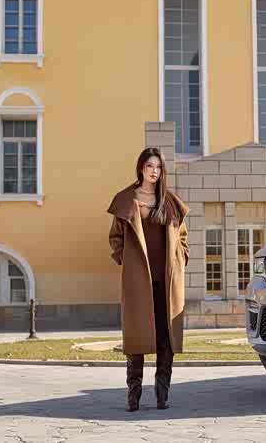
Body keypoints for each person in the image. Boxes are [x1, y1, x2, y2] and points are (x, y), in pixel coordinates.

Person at [107, 148, 189, 412]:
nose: (154, 171)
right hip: (138, 282)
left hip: (167, 282)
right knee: (137, 339)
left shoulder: (170, 202)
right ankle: (133, 395)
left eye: (158, 167)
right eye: (150, 166)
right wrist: (126, 259)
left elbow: (182, 237)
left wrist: (181, 258)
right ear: (141, 168)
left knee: (166, 338)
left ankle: (162, 394)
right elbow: (115, 238)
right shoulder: (126, 200)